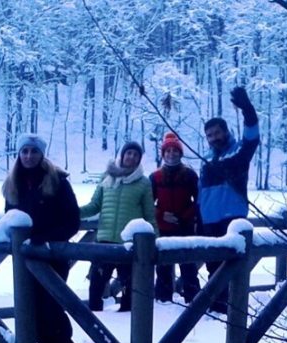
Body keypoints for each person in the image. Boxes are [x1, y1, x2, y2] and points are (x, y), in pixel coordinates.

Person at [2, 133, 81, 343]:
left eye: (34, 151)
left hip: (53, 255)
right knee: (28, 303)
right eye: (24, 151)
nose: (28, 156)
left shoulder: (58, 181)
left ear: (42, 154)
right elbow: (8, 217)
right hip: (24, 255)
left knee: (51, 304)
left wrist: (45, 238)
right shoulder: (13, 183)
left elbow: (72, 221)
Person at [198, 86, 260, 314]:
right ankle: (215, 307)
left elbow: (252, 137)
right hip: (209, 220)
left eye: (217, 133)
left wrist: (247, 109)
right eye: (209, 135)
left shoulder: (238, 153)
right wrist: (198, 218)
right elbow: (201, 192)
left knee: (232, 266)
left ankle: (231, 309)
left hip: (232, 219)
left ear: (225, 132)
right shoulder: (205, 159)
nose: (214, 138)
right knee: (212, 266)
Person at [79, 141, 156, 312]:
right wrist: (71, 213)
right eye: (129, 153)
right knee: (96, 285)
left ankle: (127, 322)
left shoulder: (143, 183)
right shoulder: (106, 177)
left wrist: (153, 242)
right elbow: (94, 206)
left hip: (128, 244)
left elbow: (150, 215)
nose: (132, 157)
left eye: (136, 155)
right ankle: (94, 319)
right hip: (103, 241)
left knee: (130, 286)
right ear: (122, 155)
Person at [150, 132, 200, 303]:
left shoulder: (190, 175)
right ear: (163, 154)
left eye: (175, 151)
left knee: (188, 266)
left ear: (180, 153)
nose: (171, 154)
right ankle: (163, 300)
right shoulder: (155, 177)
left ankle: (193, 300)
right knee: (163, 267)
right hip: (163, 228)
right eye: (168, 151)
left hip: (185, 227)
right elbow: (148, 203)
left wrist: (184, 216)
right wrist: (161, 215)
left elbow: (199, 200)